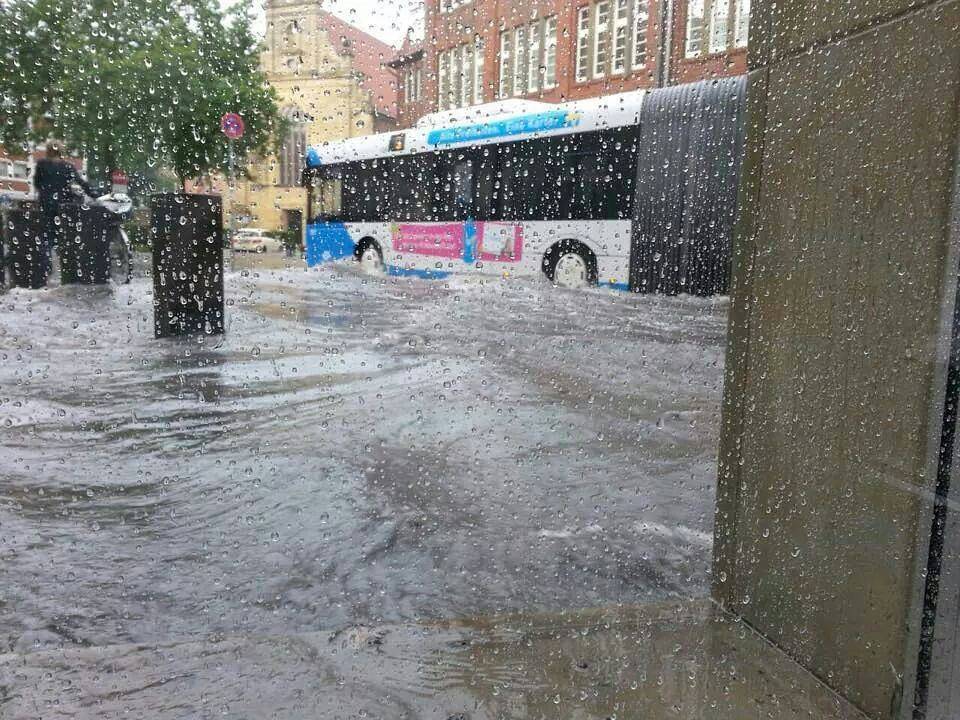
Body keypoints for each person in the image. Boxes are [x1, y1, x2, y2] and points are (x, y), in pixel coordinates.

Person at [33, 142, 95, 273]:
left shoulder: (41, 164)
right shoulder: (67, 166)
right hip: (63, 206)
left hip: (46, 204)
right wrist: (94, 194)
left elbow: (37, 183)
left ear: (48, 151)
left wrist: (45, 191)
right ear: (61, 152)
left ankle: (46, 266)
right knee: (62, 235)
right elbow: (81, 182)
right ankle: (68, 267)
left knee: (46, 236)